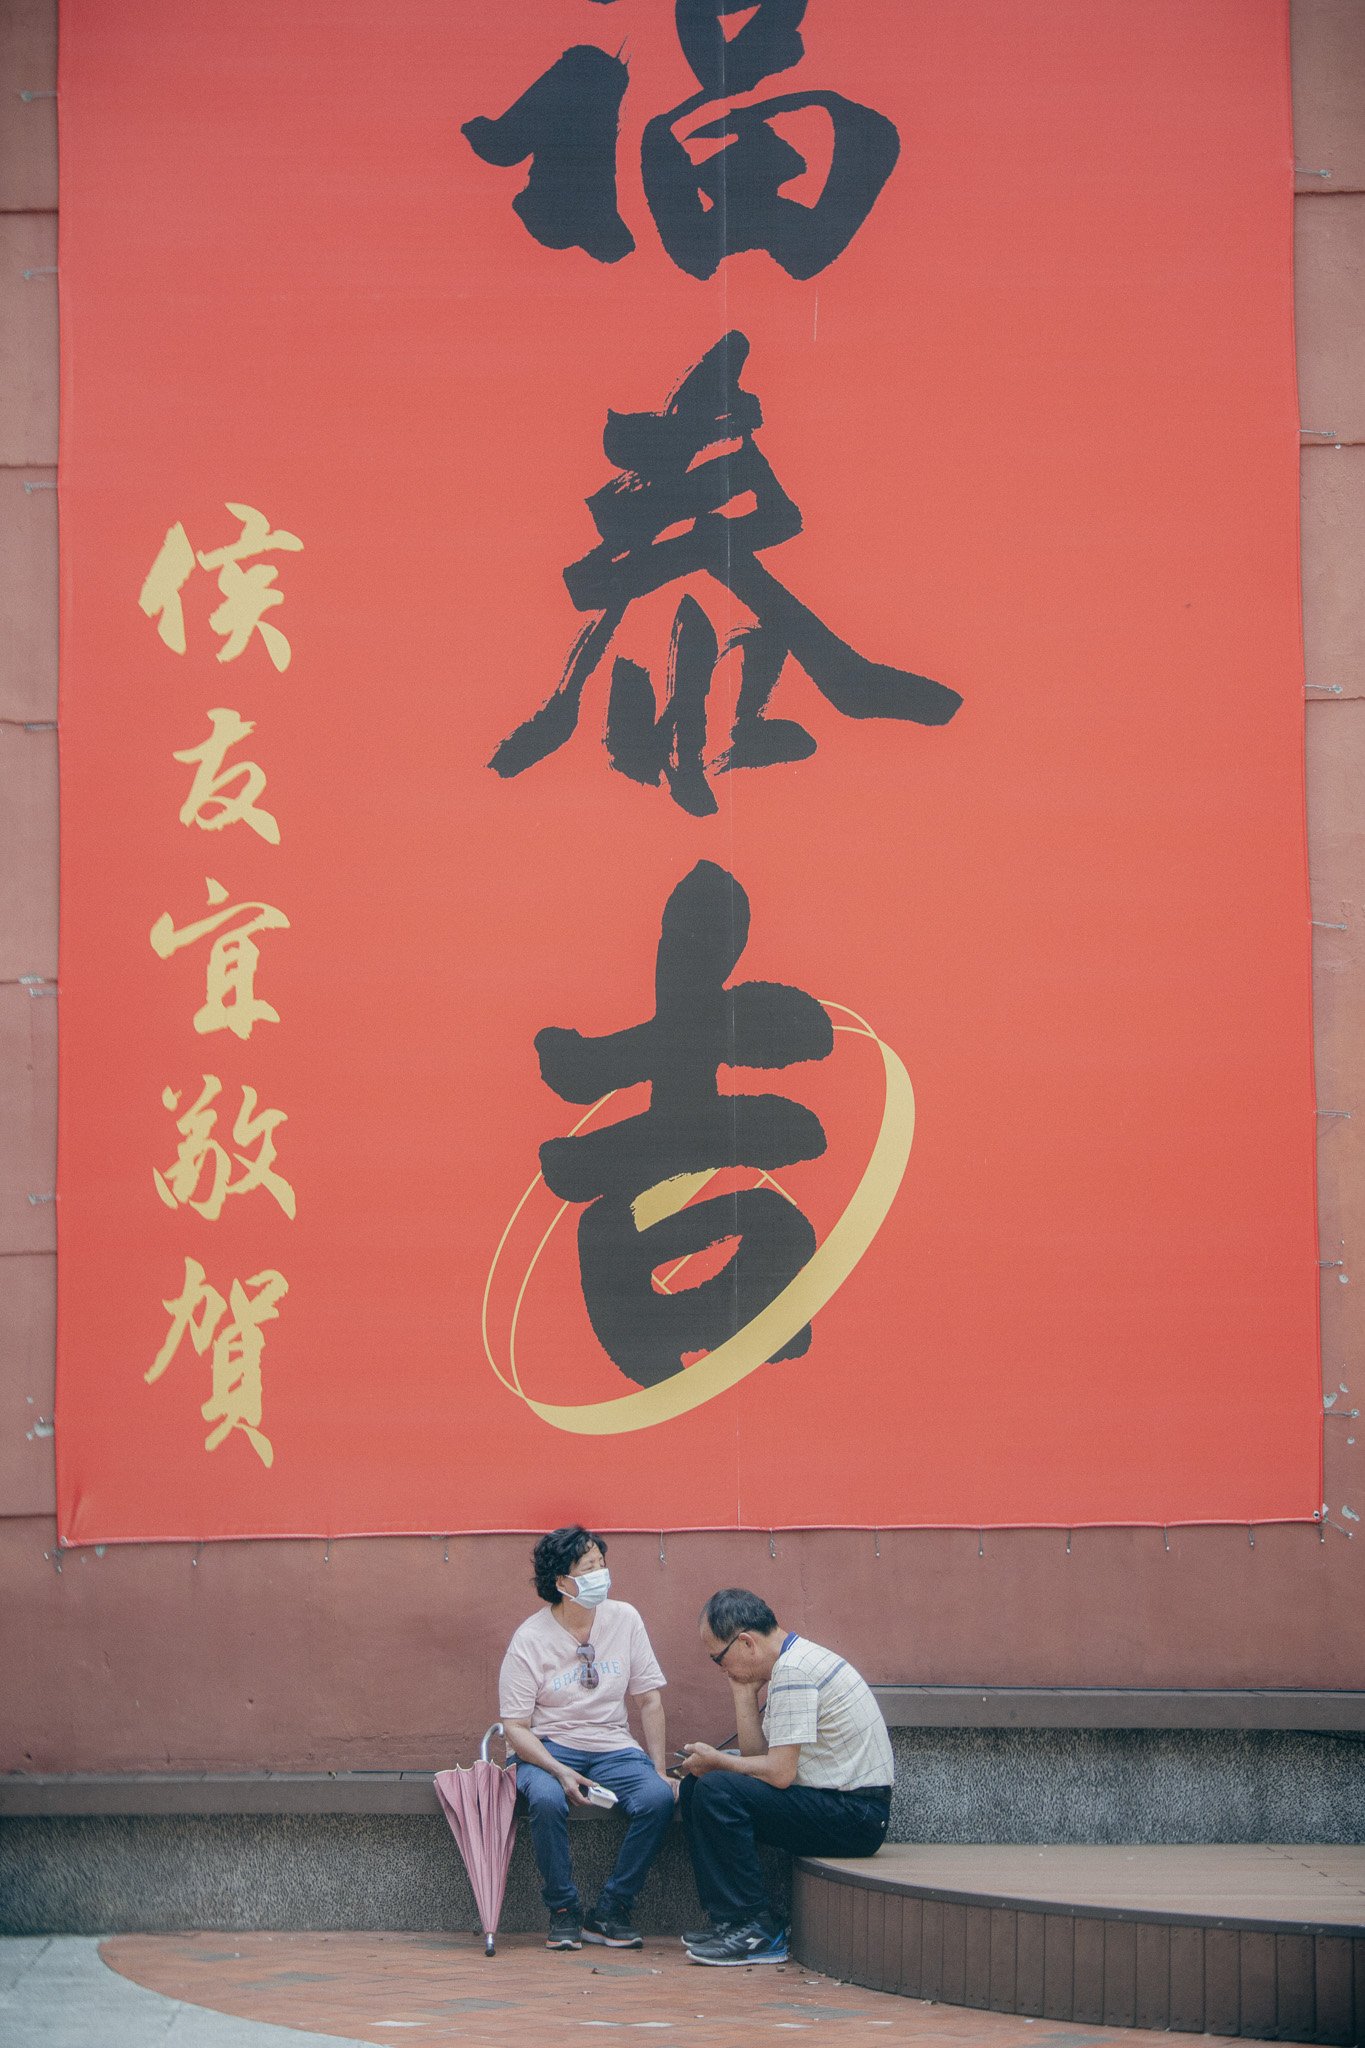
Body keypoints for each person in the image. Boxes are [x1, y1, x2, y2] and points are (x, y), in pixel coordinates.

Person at [677, 1587, 894, 1966]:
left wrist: (717, 1761)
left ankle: (757, 1929)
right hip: (840, 1805)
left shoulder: (795, 1670)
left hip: (856, 1816)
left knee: (715, 1787)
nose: (722, 1669)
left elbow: (778, 1773)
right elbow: (757, 1759)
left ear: (745, 1642)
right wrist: (743, 1693)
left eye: (718, 1659)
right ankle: (732, 1922)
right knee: (699, 1784)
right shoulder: (791, 1661)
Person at [499, 1524, 677, 1951]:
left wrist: (658, 1770)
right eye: (589, 1567)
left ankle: (611, 1910)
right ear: (562, 1582)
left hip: (612, 1745)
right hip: (548, 1748)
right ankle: (563, 1910)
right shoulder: (529, 1639)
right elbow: (515, 1728)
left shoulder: (625, 1618)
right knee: (545, 1799)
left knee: (657, 1799)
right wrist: (560, 1771)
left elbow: (649, 1700)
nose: (602, 1573)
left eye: (602, 1563)